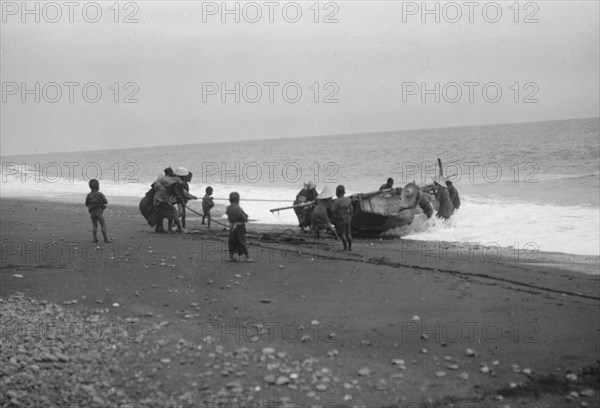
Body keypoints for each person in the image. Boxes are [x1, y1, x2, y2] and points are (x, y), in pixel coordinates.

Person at [153, 169, 186, 233]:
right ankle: (180, 230)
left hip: (156, 201)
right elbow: (179, 191)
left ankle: (160, 228)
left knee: (162, 214)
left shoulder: (161, 179)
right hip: (163, 200)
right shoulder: (173, 180)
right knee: (175, 213)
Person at [226, 192, 252, 262]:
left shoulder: (228, 208)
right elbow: (244, 218)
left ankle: (231, 257)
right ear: (238, 200)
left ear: (229, 200)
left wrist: (233, 224)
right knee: (242, 242)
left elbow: (229, 218)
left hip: (232, 228)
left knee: (231, 242)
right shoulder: (239, 209)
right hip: (240, 229)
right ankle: (248, 257)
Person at [85, 179, 110, 243]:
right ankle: (105, 239)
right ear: (98, 186)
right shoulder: (100, 194)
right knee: (103, 224)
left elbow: (86, 203)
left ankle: (95, 239)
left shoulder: (89, 195)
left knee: (94, 225)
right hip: (99, 212)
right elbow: (106, 202)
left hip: (92, 212)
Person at [331, 185, 353, 250]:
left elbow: (333, 210)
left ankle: (345, 247)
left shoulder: (337, 201)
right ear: (344, 192)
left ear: (337, 193)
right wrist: (351, 216)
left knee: (343, 234)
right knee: (348, 233)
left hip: (341, 220)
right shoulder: (349, 200)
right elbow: (352, 209)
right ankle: (350, 247)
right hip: (348, 218)